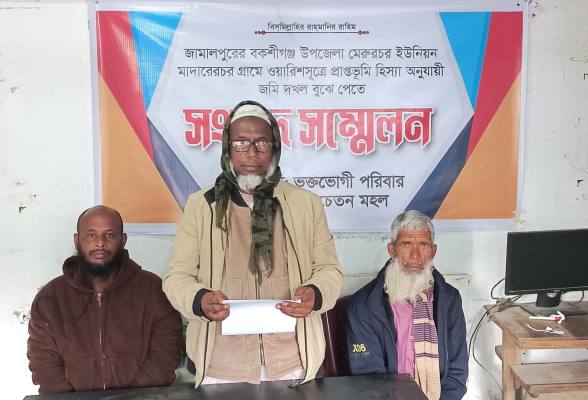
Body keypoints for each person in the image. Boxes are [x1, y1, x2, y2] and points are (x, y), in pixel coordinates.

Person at [163, 100, 343, 387]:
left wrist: (316, 294)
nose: (251, 153)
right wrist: (199, 300)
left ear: (275, 148)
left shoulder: (304, 204)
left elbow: (329, 269)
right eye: (241, 143)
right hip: (221, 366)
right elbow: (177, 277)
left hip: (293, 362)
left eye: (262, 143)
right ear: (227, 149)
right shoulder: (202, 206)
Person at [27, 206, 183, 394]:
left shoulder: (153, 290)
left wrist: (131, 398)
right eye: (91, 235)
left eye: (109, 235)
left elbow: (166, 354)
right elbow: (43, 361)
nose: (100, 243)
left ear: (123, 240)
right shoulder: (50, 298)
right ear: (77, 240)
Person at [346, 210, 467, 400]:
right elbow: (369, 379)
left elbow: (457, 372)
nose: (415, 255)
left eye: (423, 245)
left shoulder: (449, 300)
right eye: (406, 244)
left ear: (433, 251)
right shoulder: (364, 305)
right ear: (391, 250)